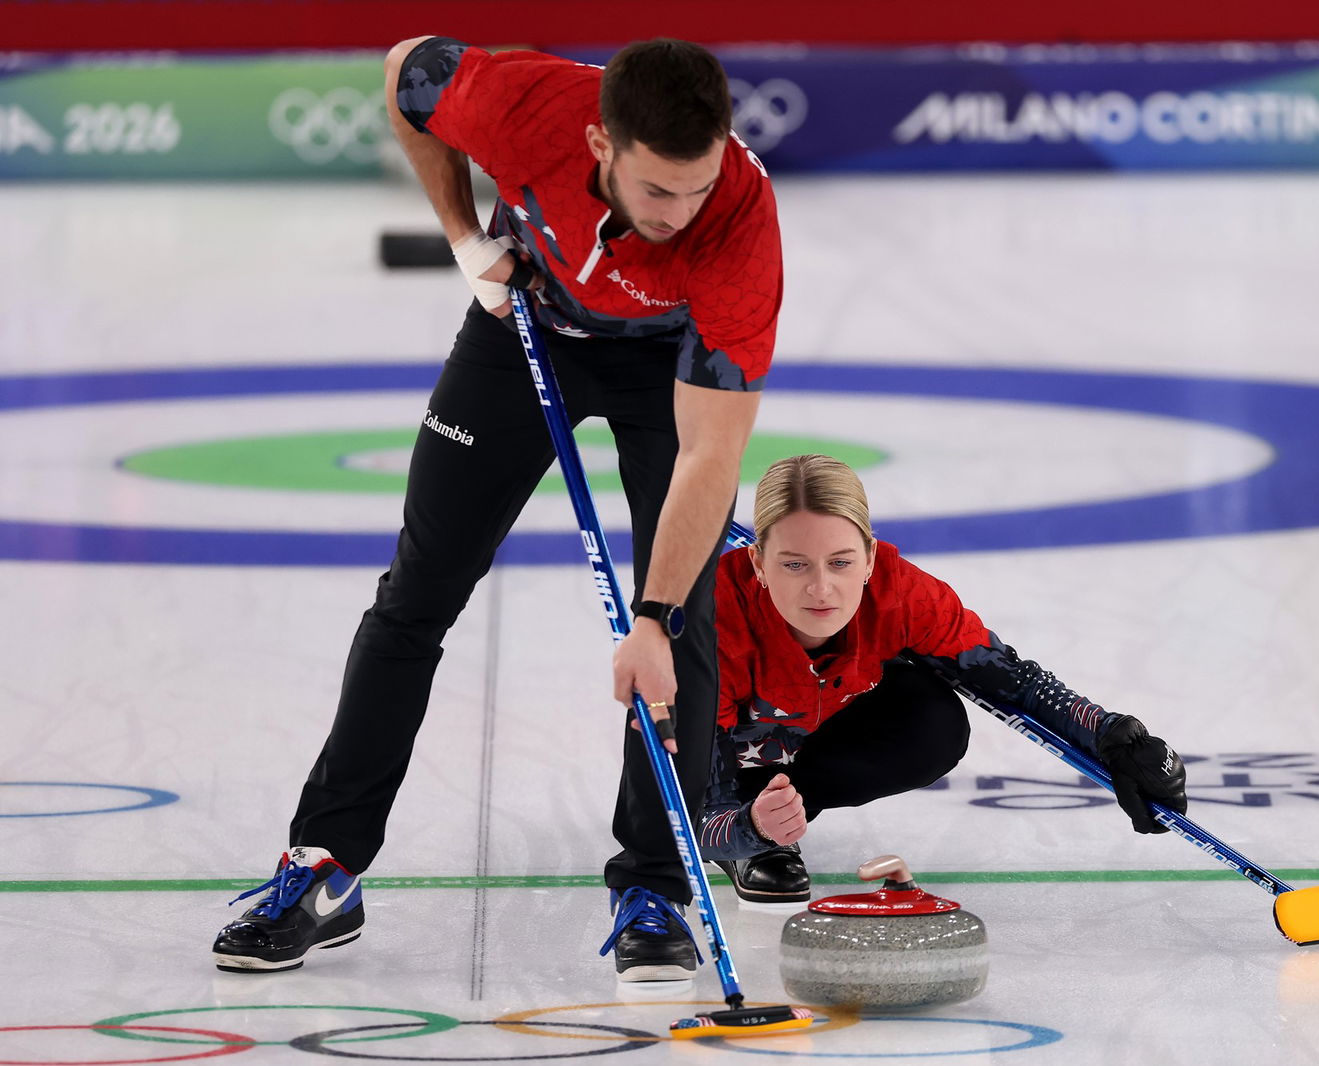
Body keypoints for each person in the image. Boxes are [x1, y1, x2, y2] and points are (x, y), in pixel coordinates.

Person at [212, 35, 781, 981]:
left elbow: (711, 455)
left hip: (664, 367)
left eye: (698, 187)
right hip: (526, 328)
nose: (681, 216)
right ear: (600, 145)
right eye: (656, 194)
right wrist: (467, 237)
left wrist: (652, 614)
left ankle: (655, 886)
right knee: (417, 596)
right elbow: (405, 73)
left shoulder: (738, 224)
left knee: (684, 627)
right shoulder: (523, 104)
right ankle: (326, 863)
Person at [699, 455, 1187, 902]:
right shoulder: (710, 628)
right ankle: (763, 820)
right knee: (717, 800)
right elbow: (681, 813)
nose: (821, 587)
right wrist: (749, 830)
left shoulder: (900, 594)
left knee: (932, 721)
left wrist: (1112, 736)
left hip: (814, 731)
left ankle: (789, 805)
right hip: (721, 766)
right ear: (758, 563)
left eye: (841, 562)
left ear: (869, 557)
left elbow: (1013, 682)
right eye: (794, 564)